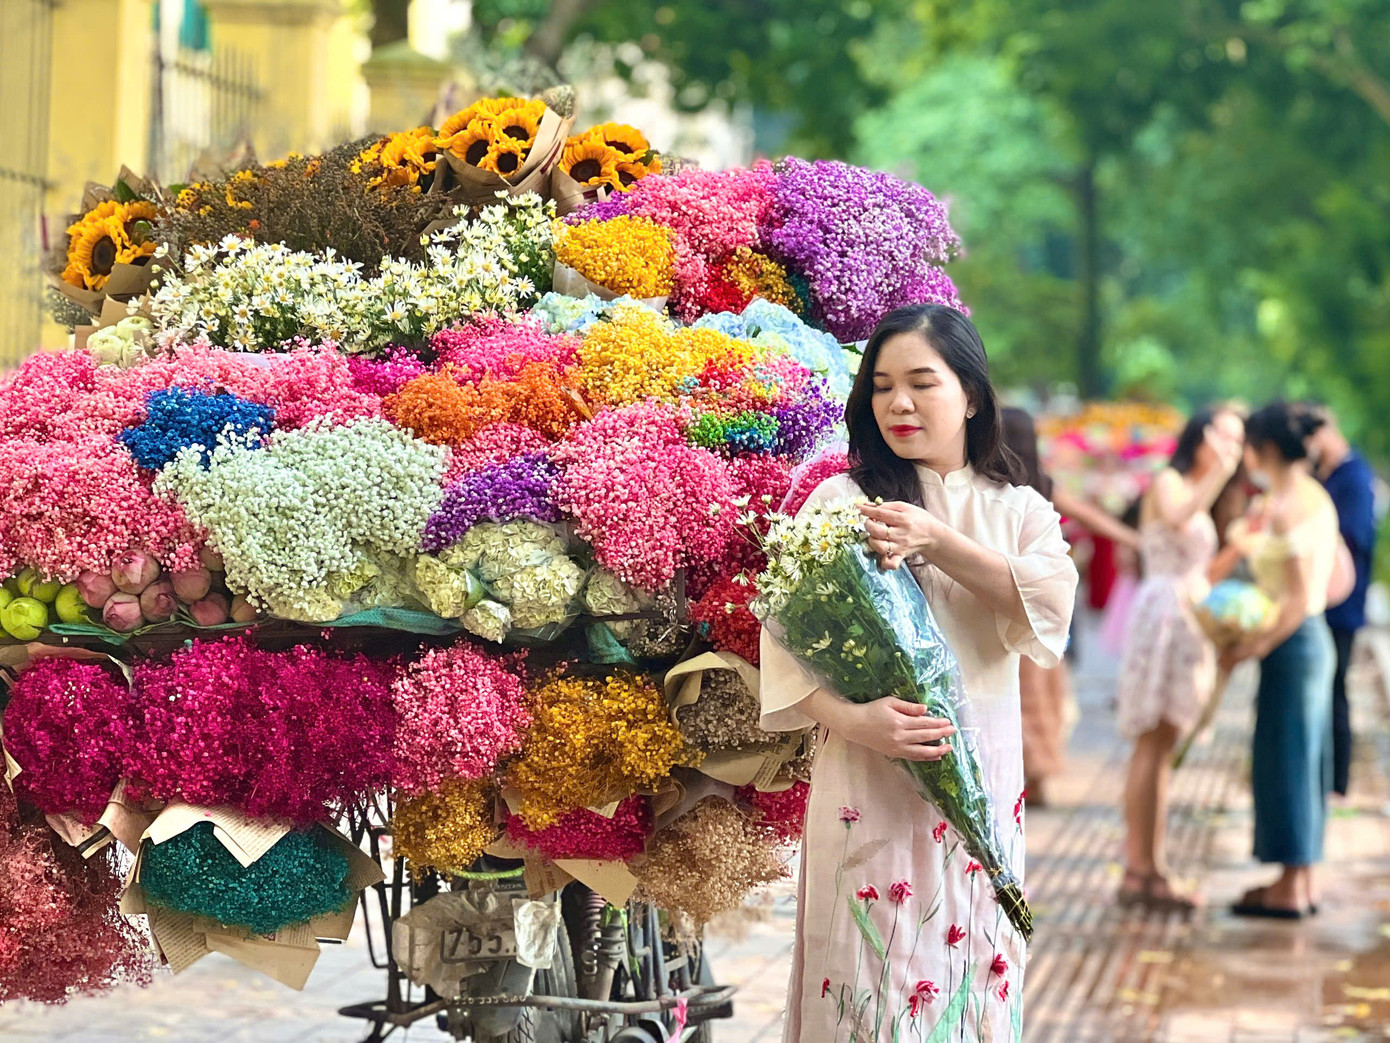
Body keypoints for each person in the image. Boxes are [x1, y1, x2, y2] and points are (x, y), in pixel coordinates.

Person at [759, 305, 1077, 1042]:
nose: (898, 403)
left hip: (982, 785)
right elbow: (781, 643)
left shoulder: (1019, 511)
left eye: (921, 383)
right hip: (867, 783)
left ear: (970, 394)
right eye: (881, 385)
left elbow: (1048, 610)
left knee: (973, 982)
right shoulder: (841, 502)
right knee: (869, 989)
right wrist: (855, 720)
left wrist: (937, 538)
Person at [1114, 405, 1245, 911]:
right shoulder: (1170, 481)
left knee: (1165, 743)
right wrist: (1219, 474)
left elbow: (1204, 568)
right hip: (1163, 615)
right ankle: (1140, 868)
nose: (1233, 448)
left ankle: (1150, 867)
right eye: (1225, 437)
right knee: (1151, 742)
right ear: (1202, 436)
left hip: (1187, 615)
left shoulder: (1204, 489)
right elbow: (1175, 516)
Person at [1223, 403, 1340, 917]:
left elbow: (1294, 598)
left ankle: (1291, 888)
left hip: (1294, 643)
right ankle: (1301, 878)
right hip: (1307, 641)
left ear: (1266, 448)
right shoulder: (1306, 494)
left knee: (1288, 758)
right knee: (1306, 758)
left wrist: (1254, 646)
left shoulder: (1292, 504)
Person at [1000, 406, 1138, 805]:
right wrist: (1137, 540)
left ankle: (1026, 776)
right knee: (1045, 694)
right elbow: (1093, 518)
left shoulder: (996, 487)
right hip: (1043, 610)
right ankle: (1040, 776)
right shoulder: (1040, 484)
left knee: (1021, 695)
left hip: (1007, 605)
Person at [1304, 404, 1377, 797]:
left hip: (1342, 604)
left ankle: (1338, 781)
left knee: (1335, 691)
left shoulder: (1353, 476)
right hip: (1324, 602)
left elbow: (1355, 536)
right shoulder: (1329, 476)